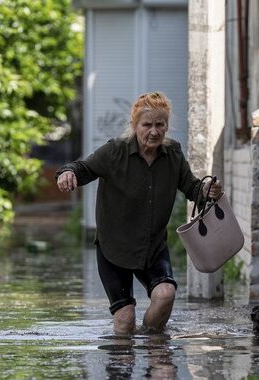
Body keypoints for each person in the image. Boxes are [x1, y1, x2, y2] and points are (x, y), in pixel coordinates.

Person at [55, 91, 223, 335]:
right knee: (124, 321)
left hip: (152, 247)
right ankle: (123, 365)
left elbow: (192, 188)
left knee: (165, 295)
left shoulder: (173, 154)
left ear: (166, 126)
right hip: (114, 248)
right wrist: (67, 172)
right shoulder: (115, 152)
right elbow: (83, 168)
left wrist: (207, 190)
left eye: (159, 124)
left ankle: (154, 352)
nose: (153, 131)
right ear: (134, 125)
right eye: (147, 125)